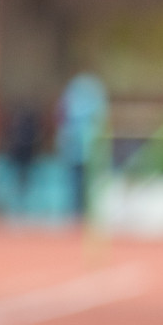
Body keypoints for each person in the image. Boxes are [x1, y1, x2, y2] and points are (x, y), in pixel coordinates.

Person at [56, 70, 108, 220]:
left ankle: (81, 215)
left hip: (85, 151)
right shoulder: (91, 96)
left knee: (83, 187)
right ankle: (79, 215)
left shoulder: (79, 96)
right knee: (78, 186)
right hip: (78, 151)